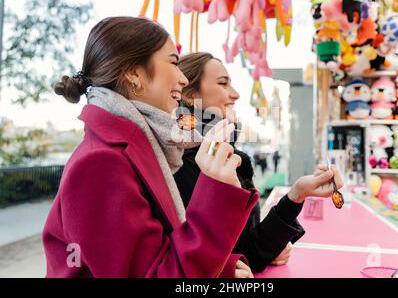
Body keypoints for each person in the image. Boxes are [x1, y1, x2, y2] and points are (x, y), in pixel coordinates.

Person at [42, 17, 260, 278]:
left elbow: (151, 258)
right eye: (173, 62)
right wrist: (216, 189)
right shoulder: (100, 163)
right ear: (134, 74)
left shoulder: (140, 147)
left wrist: (223, 269)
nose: (182, 78)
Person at [174, 52, 344, 272]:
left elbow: (250, 250)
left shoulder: (235, 159)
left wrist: (296, 195)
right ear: (189, 95)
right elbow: (195, 260)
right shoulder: (180, 165)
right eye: (223, 83)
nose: (235, 94)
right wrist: (230, 267)